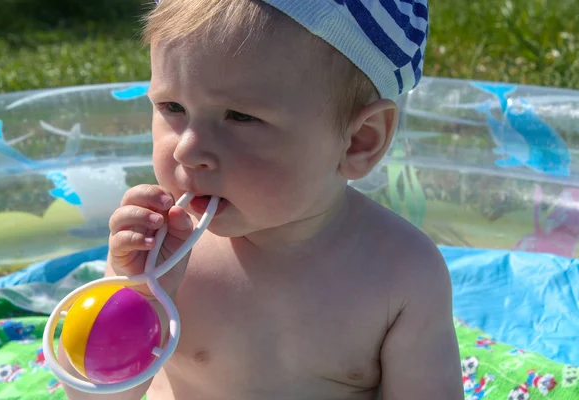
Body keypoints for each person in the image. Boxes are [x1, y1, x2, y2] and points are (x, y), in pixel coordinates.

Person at [60, 1, 464, 399]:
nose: (187, 150)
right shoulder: (162, 256)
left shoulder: (401, 273)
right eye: (173, 107)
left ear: (360, 141)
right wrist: (138, 295)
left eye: (239, 116)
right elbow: (91, 394)